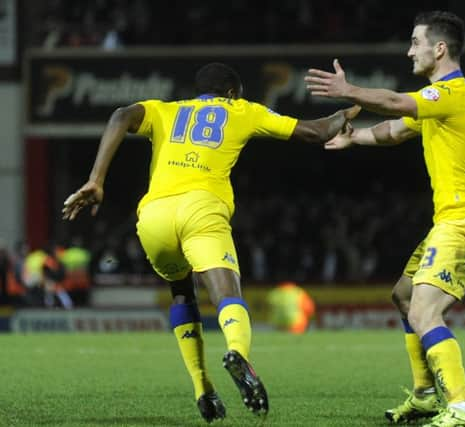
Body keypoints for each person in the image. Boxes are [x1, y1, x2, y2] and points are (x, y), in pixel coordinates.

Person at [62, 62, 359, 423]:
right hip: (201, 208)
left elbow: (121, 115)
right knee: (226, 292)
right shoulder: (240, 109)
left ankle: (202, 389)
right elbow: (316, 132)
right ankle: (239, 354)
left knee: (182, 292)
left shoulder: (166, 109)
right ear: (233, 92)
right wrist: (353, 106)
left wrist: (96, 180)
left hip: (153, 217)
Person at [305, 11, 465, 427]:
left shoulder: (451, 94)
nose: (409, 50)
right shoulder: (439, 103)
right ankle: (426, 396)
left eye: (415, 42)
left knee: (426, 312)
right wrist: (355, 138)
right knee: (405, 296)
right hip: (453, 221)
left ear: (439, 48)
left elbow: (394, 101)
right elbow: (394, 128)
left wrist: (347, 89)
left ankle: (463, 407)